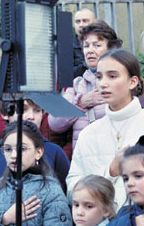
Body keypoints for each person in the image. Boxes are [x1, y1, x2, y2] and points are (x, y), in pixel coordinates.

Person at [66, 49, 144, 209]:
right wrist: (110, 172)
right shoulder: (88, 134)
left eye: (112, 76)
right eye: (99, 76)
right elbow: (72, 189)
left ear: (132, 82)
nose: (102, 83)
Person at [49, 21, 122, 157]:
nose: (90, 50)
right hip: (83, 160)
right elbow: (55, 123)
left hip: (113, 159)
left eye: (97, 45)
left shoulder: (121, 80)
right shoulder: (77, 84)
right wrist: (80, 104)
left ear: (110, 48)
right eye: (86, 46)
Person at [0, 100, 70, 192]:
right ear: (5, 113)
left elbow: (66, 193)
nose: (31, 117)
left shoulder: (54, 151)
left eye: (37, 110)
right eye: (23, 109)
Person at [73, 8, 97, 79]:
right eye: (77, 21)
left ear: (95, 22)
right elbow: (66, 74)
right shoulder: (67, 45)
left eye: (85, 21)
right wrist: (86, 65)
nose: (81, 25)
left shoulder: (105, 41)